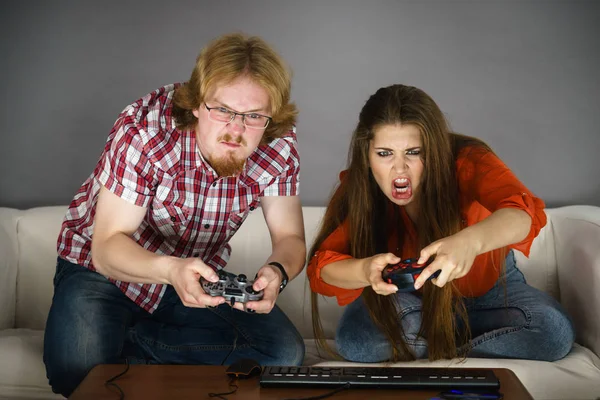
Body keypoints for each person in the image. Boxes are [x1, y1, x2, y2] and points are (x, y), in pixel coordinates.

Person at [44, 33, 306, 397]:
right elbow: (106, 246)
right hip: (105, 270)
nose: (236, 129)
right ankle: (120, 342)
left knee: (283, 354)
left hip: (197, 276)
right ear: (197, 103)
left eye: (253, 116)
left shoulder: (278, 143)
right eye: (223, 110)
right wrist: (170, 270)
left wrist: (278, 272)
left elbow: (290, 239)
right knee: (74, 371)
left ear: (270, 116)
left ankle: (126, 342)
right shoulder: (145, 129)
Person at [307, 84, 574, 363]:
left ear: (434, 149)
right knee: (358, 343)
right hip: (410, 299)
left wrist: (470, 242)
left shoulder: (469, 160)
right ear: (367, 154)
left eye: (414, 152)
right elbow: (322, 267)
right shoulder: (358, 187)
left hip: (490, 294)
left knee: (552, 334)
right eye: (384, 153)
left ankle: (436, 342)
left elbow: (523, 213)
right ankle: (454, 339)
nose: (400, 168)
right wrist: (364, 270)